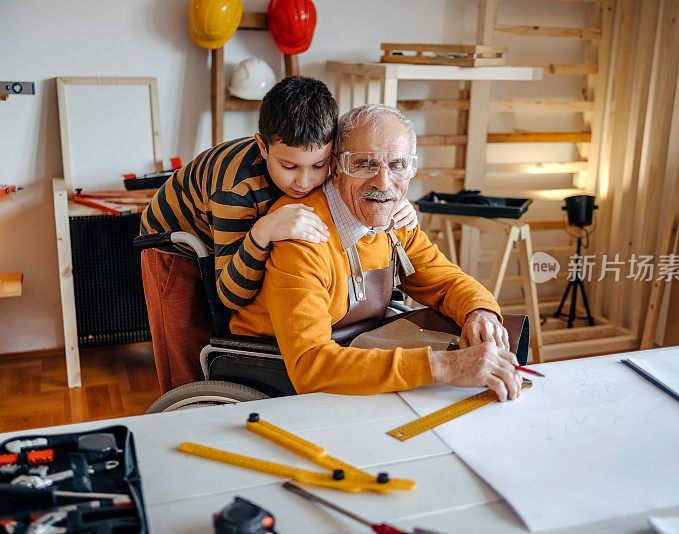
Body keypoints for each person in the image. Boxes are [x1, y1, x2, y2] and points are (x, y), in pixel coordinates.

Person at [139, 77, 418, 392]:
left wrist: (392, 200)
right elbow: (230, 295)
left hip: (245, 219)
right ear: (262, 146)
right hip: (176, 238)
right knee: (186, 353)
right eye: (289, 166)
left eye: (318, 166)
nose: (304, 182)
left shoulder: (323, 168)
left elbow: (363, 178)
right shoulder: (236, 188)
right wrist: (261, 232)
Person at [231, 103, 522, 401]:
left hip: (359, 349)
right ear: (336, 167)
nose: (383, 183)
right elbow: (311, 365)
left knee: (491, 339)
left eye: (397, 165)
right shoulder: (301, 236)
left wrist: (481, 312)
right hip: (275, 365)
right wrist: (442, 366)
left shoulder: (395, 219)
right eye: (365, 164)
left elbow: (446, 282)